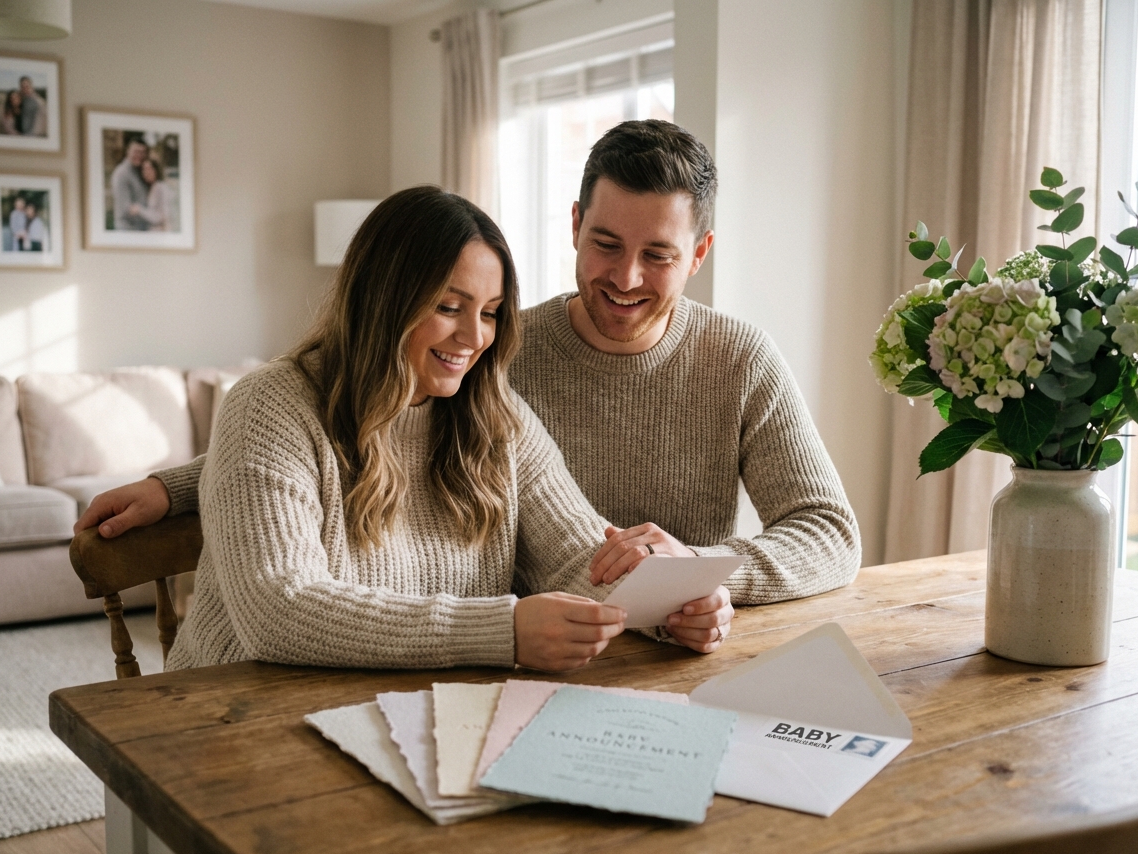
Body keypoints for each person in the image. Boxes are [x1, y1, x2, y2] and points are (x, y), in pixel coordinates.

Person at [80, 120, 857, 618]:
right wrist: (180, 483)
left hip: (608, 634)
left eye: (657, 255)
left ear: (698, 256)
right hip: (510, 640)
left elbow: (828, 531)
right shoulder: (504, 358)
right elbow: (353, 417)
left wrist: (698, 579)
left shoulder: (736, 359)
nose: (624, 278)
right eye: (607, 245)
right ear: (576, 226)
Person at [150, 186, 730, 673]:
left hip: (411, 711)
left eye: (491, 311)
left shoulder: (495, 417)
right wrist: (502, 630)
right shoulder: (270, 405)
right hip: (233, 717)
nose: (475, 337)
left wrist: (674, 604)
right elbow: (281, 610)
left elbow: (580, 557)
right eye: (450, 307)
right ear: (385, 299)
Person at [111, 139, 151, 231]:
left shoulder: (140, 170)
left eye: (143, 152)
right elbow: (126, 209)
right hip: (127, 230)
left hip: (141, 230)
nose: (140, 155)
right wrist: (151, 215)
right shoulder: (121, 173)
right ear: (128, 151)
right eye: (136, 151)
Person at [135, 157, 174, 231]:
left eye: (149, 169)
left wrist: (139, 210)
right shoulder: (151, 188)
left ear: (156, 170)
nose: (146, 172)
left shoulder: (161, 187)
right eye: (144, 169)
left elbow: (161, 217)